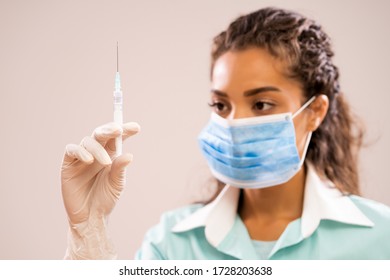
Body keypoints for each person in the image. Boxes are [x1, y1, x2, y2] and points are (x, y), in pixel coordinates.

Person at [61, 7, 390, 260]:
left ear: (315, 112)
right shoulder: (172, 244)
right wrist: (89, 233)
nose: (233, 123)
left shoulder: (381, 239)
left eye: (261, 104)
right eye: (221, 105)